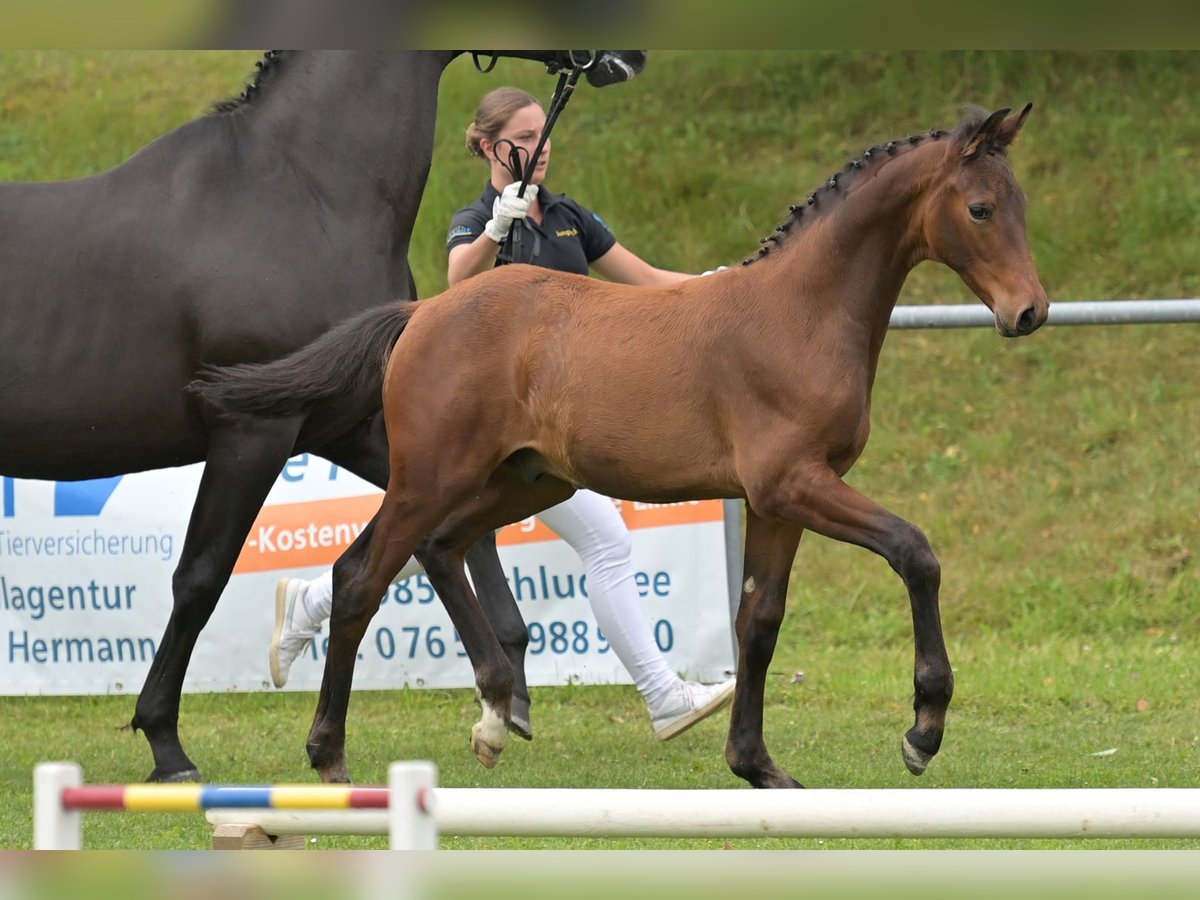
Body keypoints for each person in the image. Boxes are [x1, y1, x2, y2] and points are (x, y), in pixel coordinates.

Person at [271, 86, 734, 742]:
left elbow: (647, 280)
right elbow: (458, 284)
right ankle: (663, 696)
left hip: (554, 419)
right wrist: (495, 229)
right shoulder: (479, 216)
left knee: (435, 526)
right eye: (524, 139)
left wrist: (717, 288)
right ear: (492, 147)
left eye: (543, 134)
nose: (539, 151)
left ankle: (314, 602)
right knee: (587, 538)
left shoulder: (570, 215)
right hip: (500, 418)